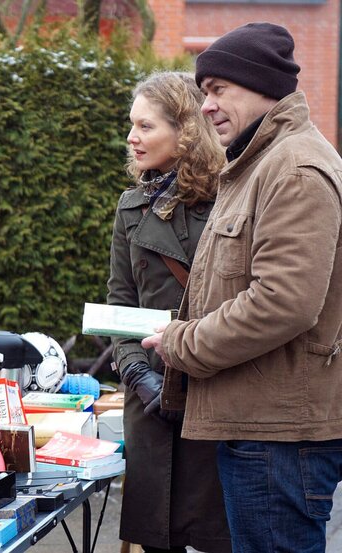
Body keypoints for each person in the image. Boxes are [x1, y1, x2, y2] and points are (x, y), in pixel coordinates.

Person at [142, 22, 342, 553]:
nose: (206, 105)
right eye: (204, 91)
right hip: (262, 429)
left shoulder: (293, 168)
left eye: (218, 89)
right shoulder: (258, 164)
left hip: (277, 438)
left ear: (262, 88)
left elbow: (283, 302)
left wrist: (180, 343)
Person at [108, 71, 230, 553]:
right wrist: (139, 376)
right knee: (156, 536)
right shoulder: (131, 207)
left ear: (185, 132)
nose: (132, 138)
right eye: (132, 125)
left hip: (215, 392)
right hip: (150, 399)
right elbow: (119, 304)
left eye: (146, 126)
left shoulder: (232, 200)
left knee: (219, 535)